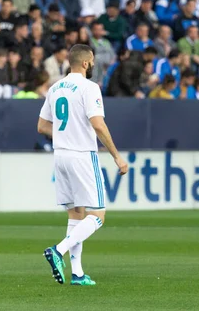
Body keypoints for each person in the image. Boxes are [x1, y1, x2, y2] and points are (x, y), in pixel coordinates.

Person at [37, 44, 128, 285]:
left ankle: (77, 273)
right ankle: (59, 250)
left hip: (61, 156)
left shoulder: (55, 88)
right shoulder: (89, 88)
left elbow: (42, 126)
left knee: (76, 214)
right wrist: (117, 156)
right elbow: (98, 124)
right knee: (98, 215)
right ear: (86, 63)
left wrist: (65, 136)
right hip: (82, 155)